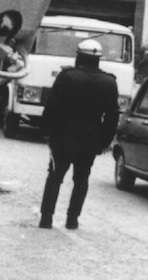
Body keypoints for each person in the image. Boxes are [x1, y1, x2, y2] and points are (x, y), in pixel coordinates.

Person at [38, 39, 119, 230]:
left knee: (55, 177)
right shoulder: (109, 82)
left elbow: (52, 106)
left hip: (63, 137)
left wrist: (45, 129)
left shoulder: (67, 77)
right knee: (81, 180)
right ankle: (72, 219)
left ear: (79, 57)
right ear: (98, 60)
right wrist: (104, 141)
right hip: (90, 140)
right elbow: (112, 116)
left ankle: (46, 218)